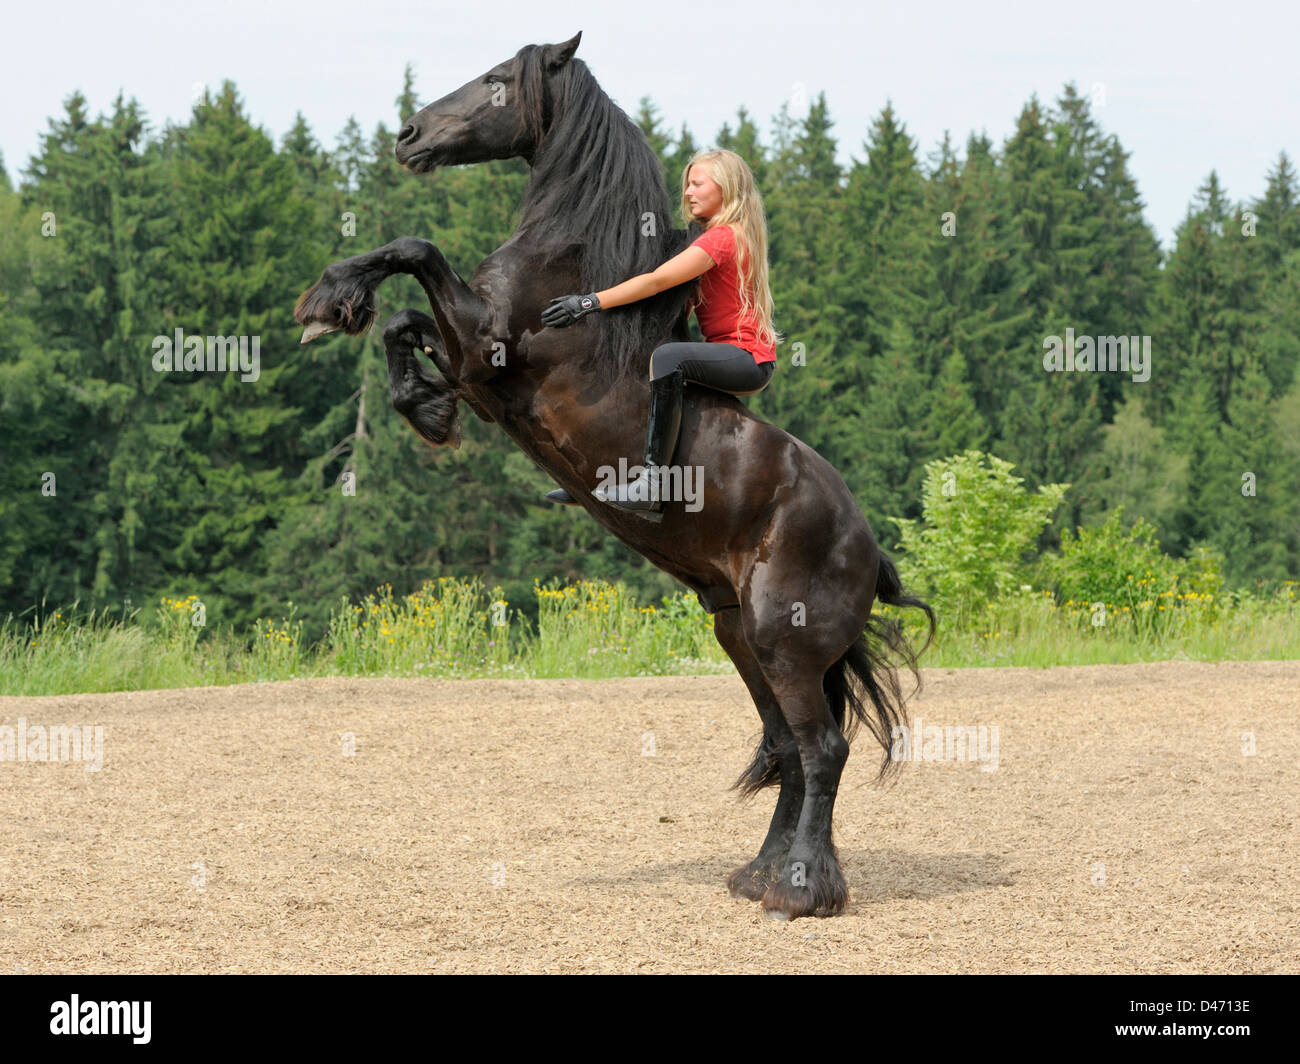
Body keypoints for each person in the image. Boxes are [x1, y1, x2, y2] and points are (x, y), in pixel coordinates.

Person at [541, 148, 780, 514]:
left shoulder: (721, 239)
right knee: (645, 369)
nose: (687, 192)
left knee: (668, 357)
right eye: (687, 184)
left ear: (725, 188)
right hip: (734, 356)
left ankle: (653, 485)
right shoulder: (718, 236)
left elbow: (656, 282)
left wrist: (589, 302)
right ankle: (596, 475)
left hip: (747, 359)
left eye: (697, 183)